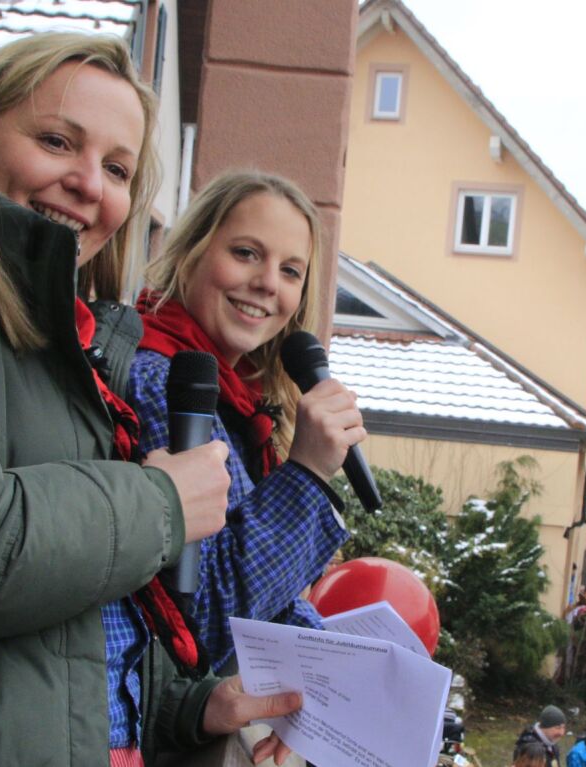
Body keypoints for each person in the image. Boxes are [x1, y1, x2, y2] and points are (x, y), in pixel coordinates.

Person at [0, 31, 300, 766]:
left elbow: (71, 632)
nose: (91, 185)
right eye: (58, 141)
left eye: (118, 168)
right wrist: (162, 501)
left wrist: (185, 708)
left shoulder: (64, 335)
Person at [130, 169, 359, 672]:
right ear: (192, 251)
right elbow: (207, 618)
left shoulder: (237, 406)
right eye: (246, 253)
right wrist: (308, 474)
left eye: (291, 271)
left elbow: (265, 594)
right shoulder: (162, 385)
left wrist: (325, 670)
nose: (266, 284)